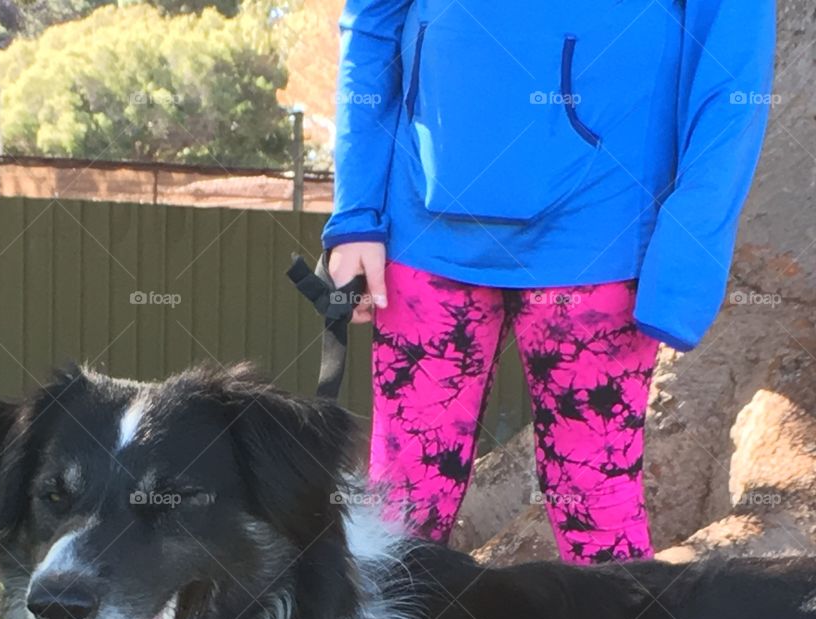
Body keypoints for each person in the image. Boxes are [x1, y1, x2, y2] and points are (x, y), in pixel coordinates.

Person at [324, 0, 776, 560]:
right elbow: (370, 25)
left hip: (600, 245)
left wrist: (686, 260)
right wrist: (356, 215)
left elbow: (733, 66)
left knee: (602, 526)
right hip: (424, 238)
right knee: (396, 523)